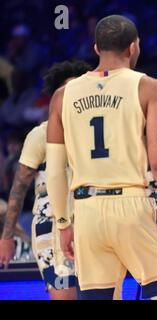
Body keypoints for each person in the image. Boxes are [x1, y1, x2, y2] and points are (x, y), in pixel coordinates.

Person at [46, 15, 157, 300]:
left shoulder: (62, 95)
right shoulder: (149, 88)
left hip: (86, 210)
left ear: (96, 49)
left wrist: (63, 224)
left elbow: (55, 170)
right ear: (133, 48)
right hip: (134, 205)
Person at [0, 60, 91, 300]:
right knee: (65, 295)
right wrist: (7, 237)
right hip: (51, 223)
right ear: (56, 97)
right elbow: (19, 188)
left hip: (94, 218)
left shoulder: (98, 129)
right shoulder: (41, 134)